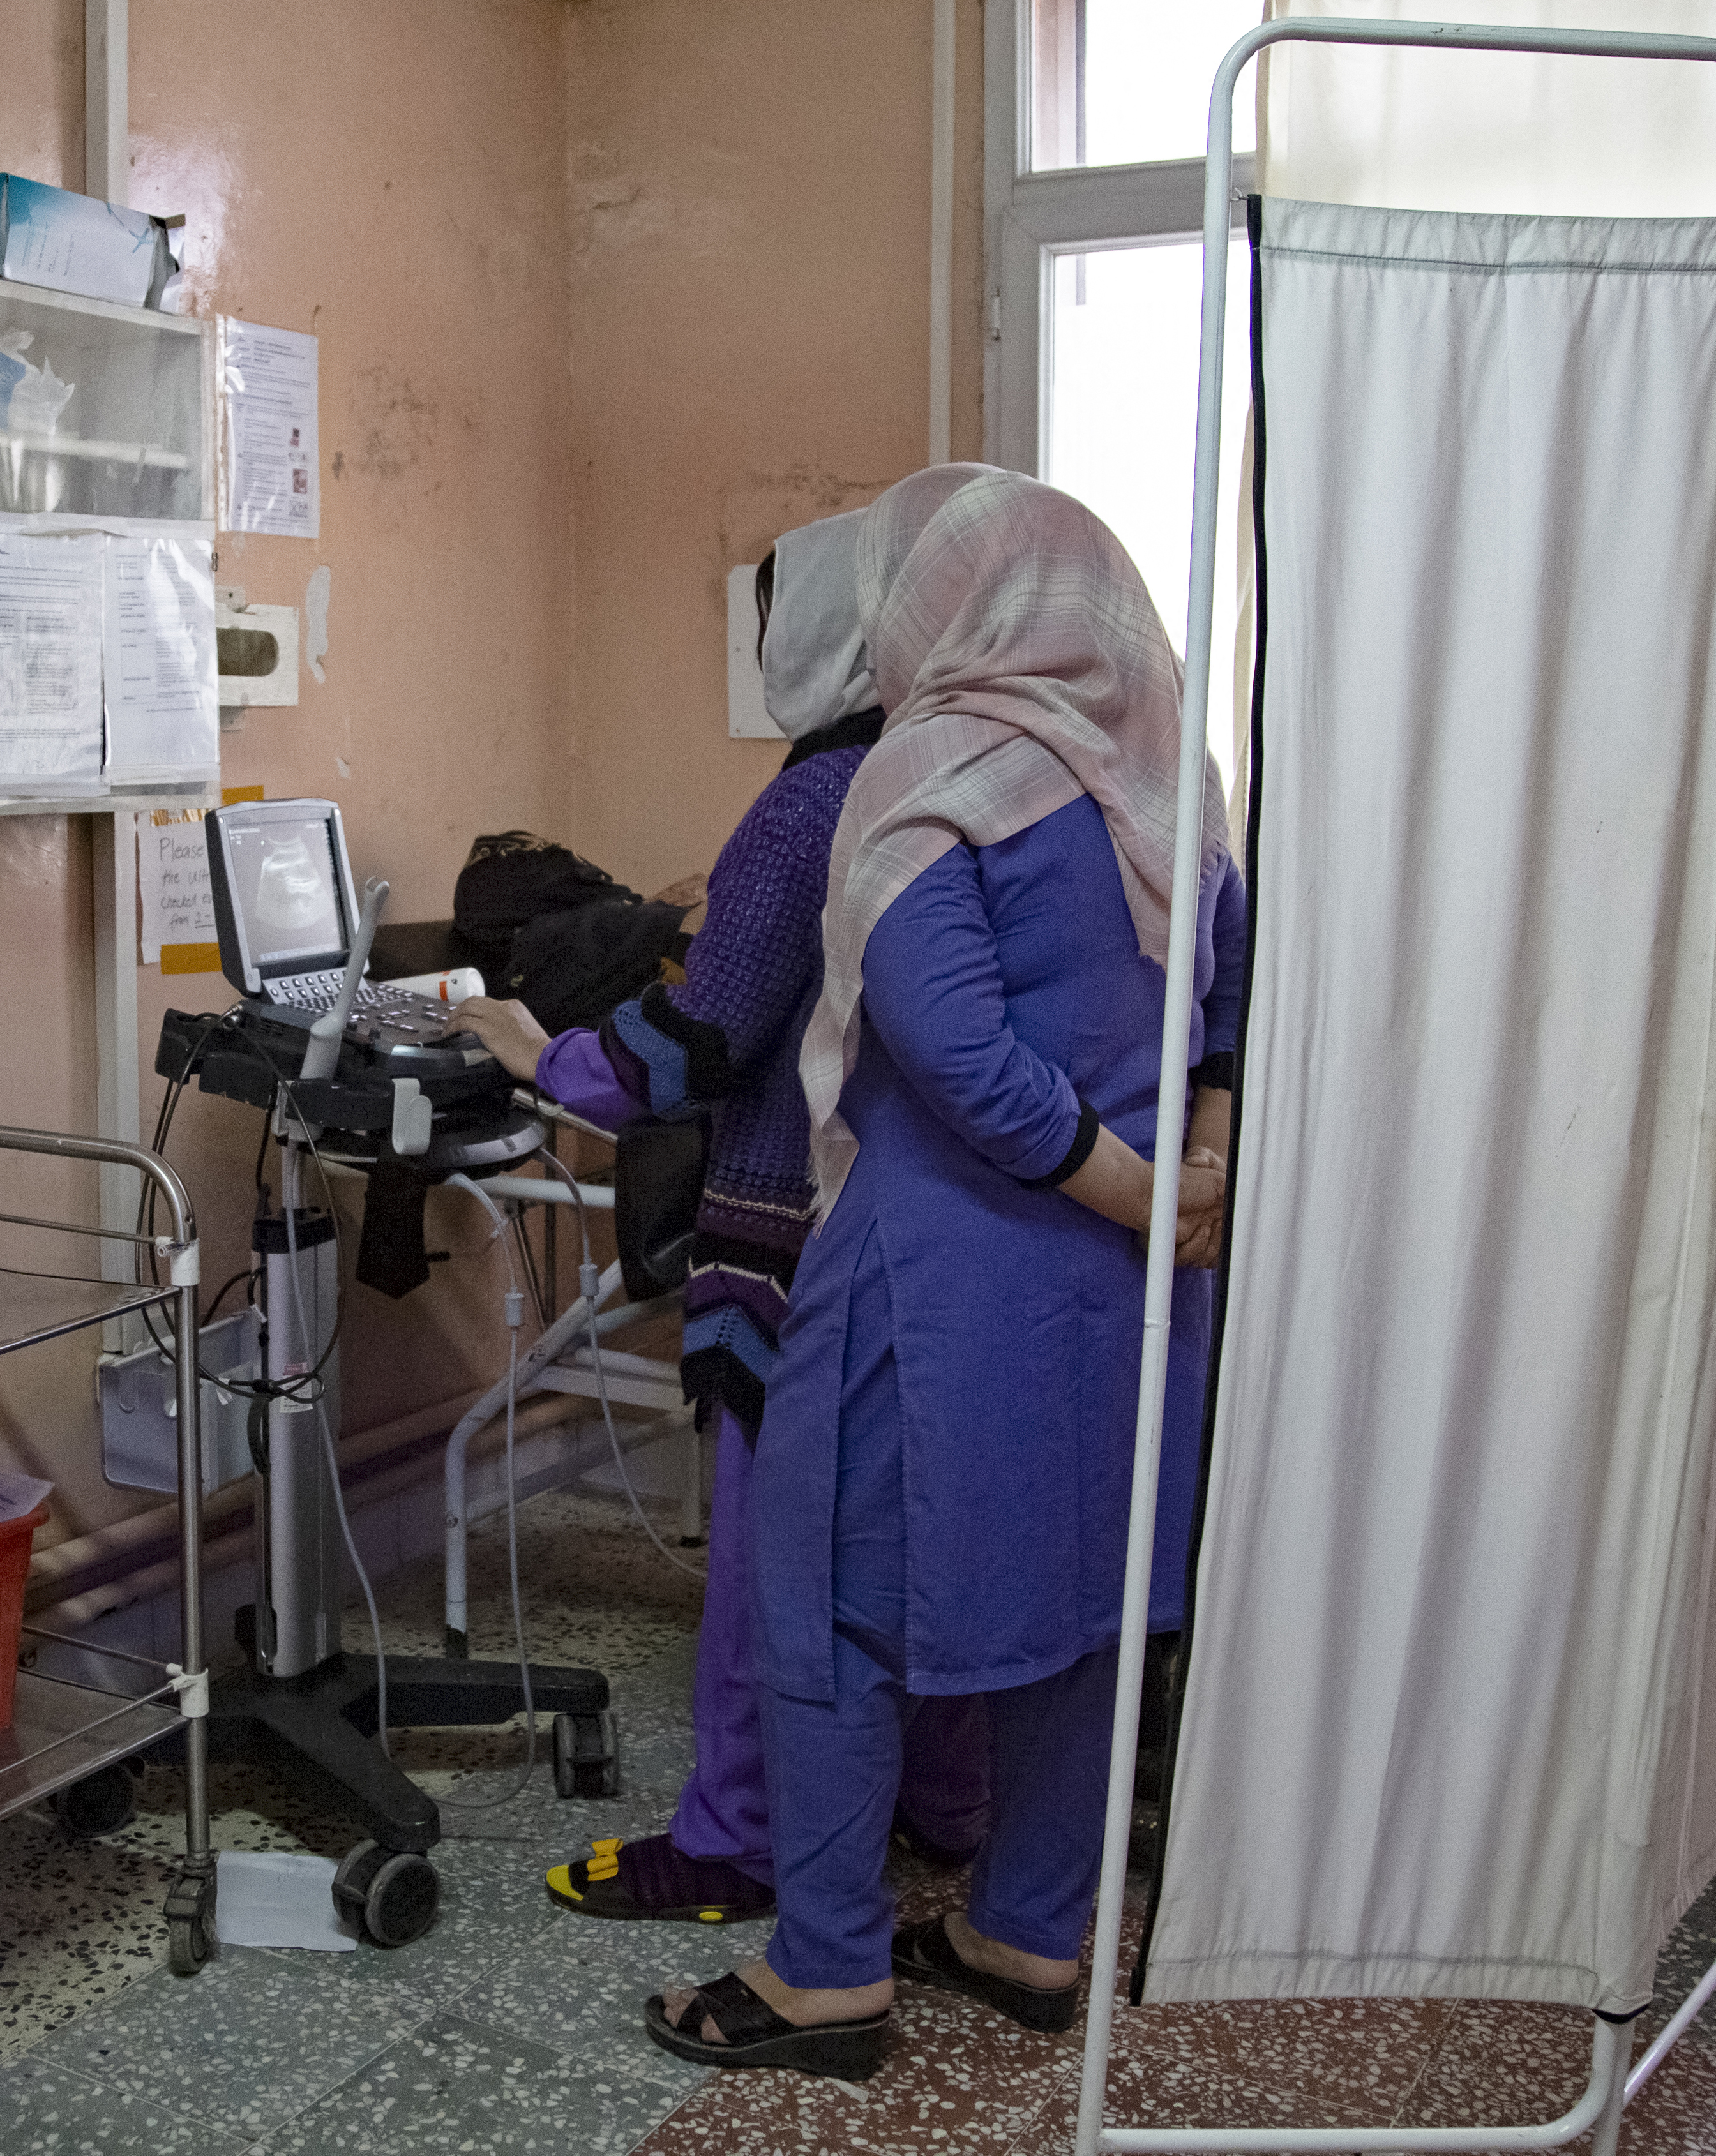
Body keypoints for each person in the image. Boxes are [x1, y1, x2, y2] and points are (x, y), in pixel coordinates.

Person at [641, 465, 1246, 2081]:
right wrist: (1190, 1183)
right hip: (1135, 1299)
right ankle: (1029, 1929)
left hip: (939, 1275)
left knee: (829, 1603)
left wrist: (1126, 1193)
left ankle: (827, 1971)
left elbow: (951, 1046)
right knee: (1082, 1604)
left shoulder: (932, 763)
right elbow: (1230, 1012)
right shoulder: (1170, 776)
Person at [458, 501, 989, 1931]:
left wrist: (537, 1052)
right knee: (913, 1553)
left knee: (775, 1571)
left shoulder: (813, 804)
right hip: (944, 1245)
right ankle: (942, 1808)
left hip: (797, 1253)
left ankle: (736, 1840)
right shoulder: (976, 773)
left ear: (807, 641)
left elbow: (694, 1047)